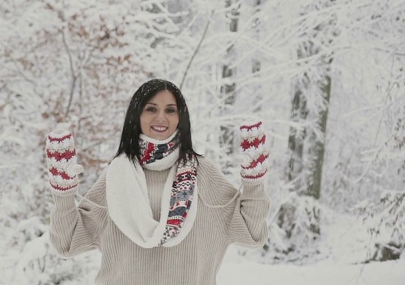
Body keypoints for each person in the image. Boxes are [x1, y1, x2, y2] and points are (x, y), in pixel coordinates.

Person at [45, 79, 270, 285]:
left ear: (180, 118)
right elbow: (68, 243)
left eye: (170, 110)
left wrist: (253, 182)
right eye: (151, 109)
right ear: (137, 115)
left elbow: (252, 234)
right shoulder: (117, 176)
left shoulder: (204, 174)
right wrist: (63, 194)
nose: (161, 117)